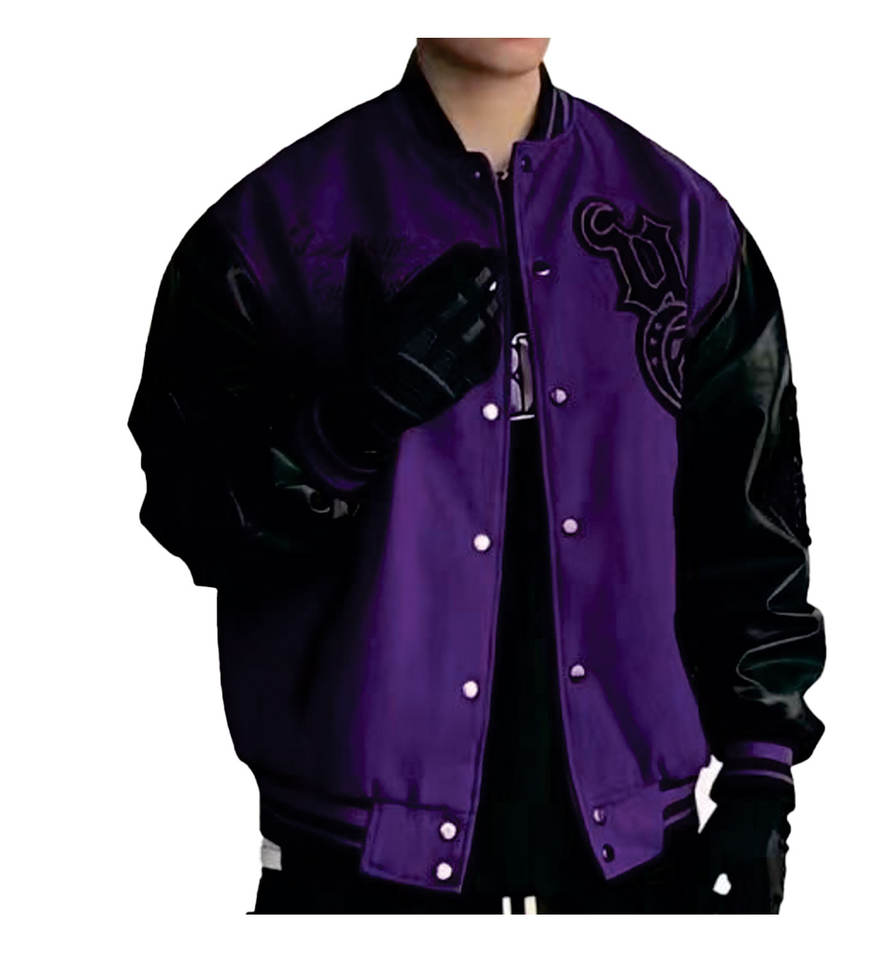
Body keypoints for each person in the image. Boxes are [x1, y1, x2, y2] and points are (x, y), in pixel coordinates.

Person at [127, 38, 826, 914]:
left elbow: (751, 518)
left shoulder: (681, 222)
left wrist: (761, 774)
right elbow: (193, 512)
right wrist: (345, 427)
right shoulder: (276, 229)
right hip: (356, 869)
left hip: (641, 866)